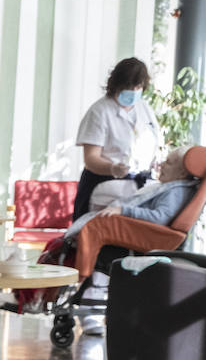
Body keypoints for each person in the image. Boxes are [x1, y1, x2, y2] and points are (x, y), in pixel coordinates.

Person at [65, 146, 200, 277]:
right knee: (99, 222)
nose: (162, 165)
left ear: (182, 173)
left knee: (98, 226)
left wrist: (123, 210)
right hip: (148, 231)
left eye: (169, 163)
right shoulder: (178, 188)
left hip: (154, 235)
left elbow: (160, 217)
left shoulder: (176, 191)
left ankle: (80, 276)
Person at [73, 57, 162, 221]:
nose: (134, 90)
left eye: (139, 86)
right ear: (117, 84)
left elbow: (155, 141)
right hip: (104, 187)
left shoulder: (145, 108)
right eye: (129, 86)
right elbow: (91, 158)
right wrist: (113, 168)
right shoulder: (100, 111)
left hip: (139, 188)